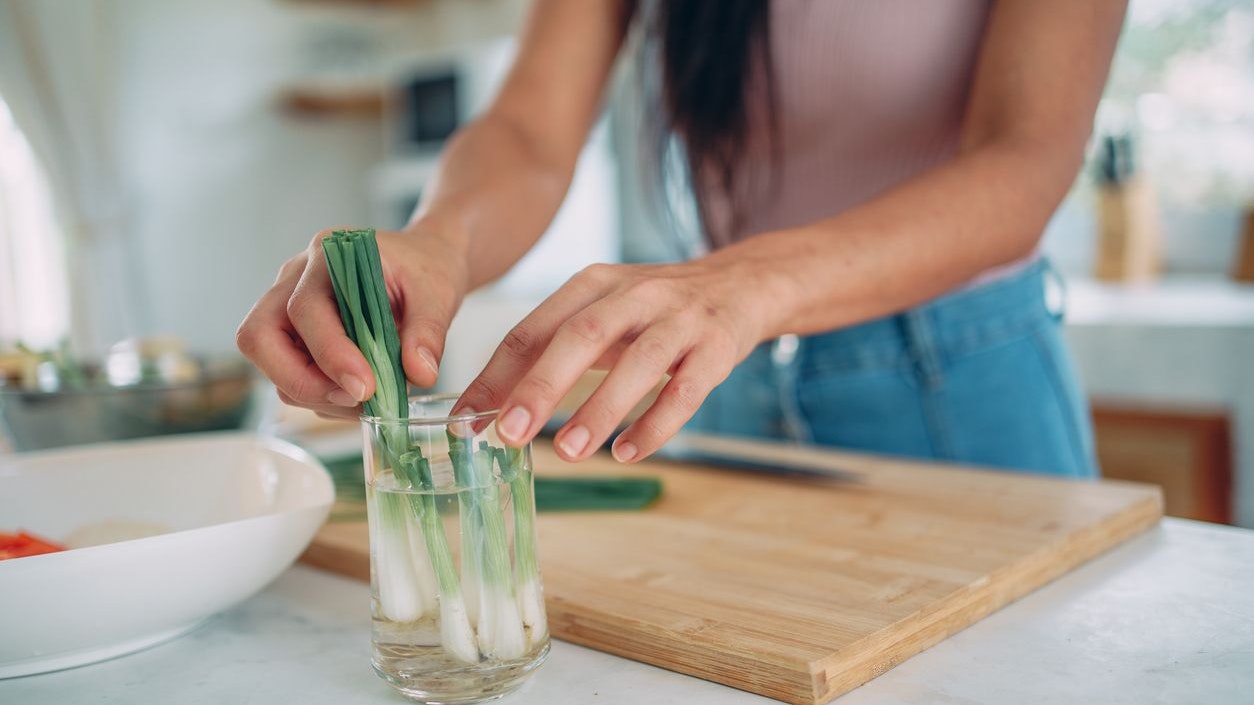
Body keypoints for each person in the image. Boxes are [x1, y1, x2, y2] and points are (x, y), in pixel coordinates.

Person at [237, 0, 1127, 478]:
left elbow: (1028, 161)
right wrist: (439, 240)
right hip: (725, 381)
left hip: (962, 378)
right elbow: (531, 133)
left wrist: (740, 284)